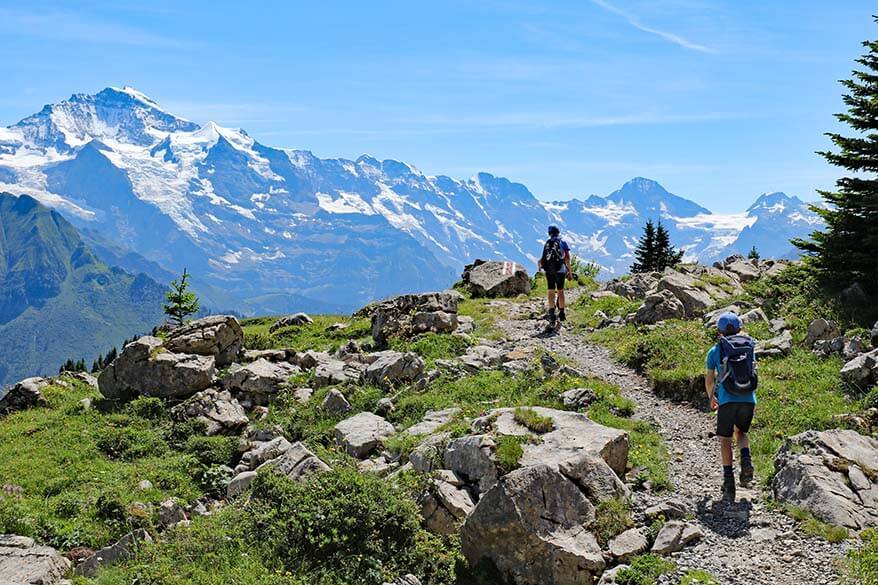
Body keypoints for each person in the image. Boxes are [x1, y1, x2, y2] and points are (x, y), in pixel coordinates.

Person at [705, 312, 757, 501]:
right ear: (739, 329)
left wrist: (712, 398)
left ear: (719, 331)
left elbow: (710, 380)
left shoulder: (714, 351)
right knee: (741, 432)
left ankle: (729, 484)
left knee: (725, 438)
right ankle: (746, 459)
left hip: (727, 401)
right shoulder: (749, 347)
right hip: (748, 398)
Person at [537, 225, 572, 327]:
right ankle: (561, 313)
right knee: (560, 291)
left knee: (551, 291)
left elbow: (543, 258)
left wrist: (541, 268)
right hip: (560, 270)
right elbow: (567, 258)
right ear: (558, 232)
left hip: (549, 271)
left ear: (549, 233)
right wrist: (569, 271)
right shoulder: (562, 242)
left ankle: (551, 313)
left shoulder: (547, 243)